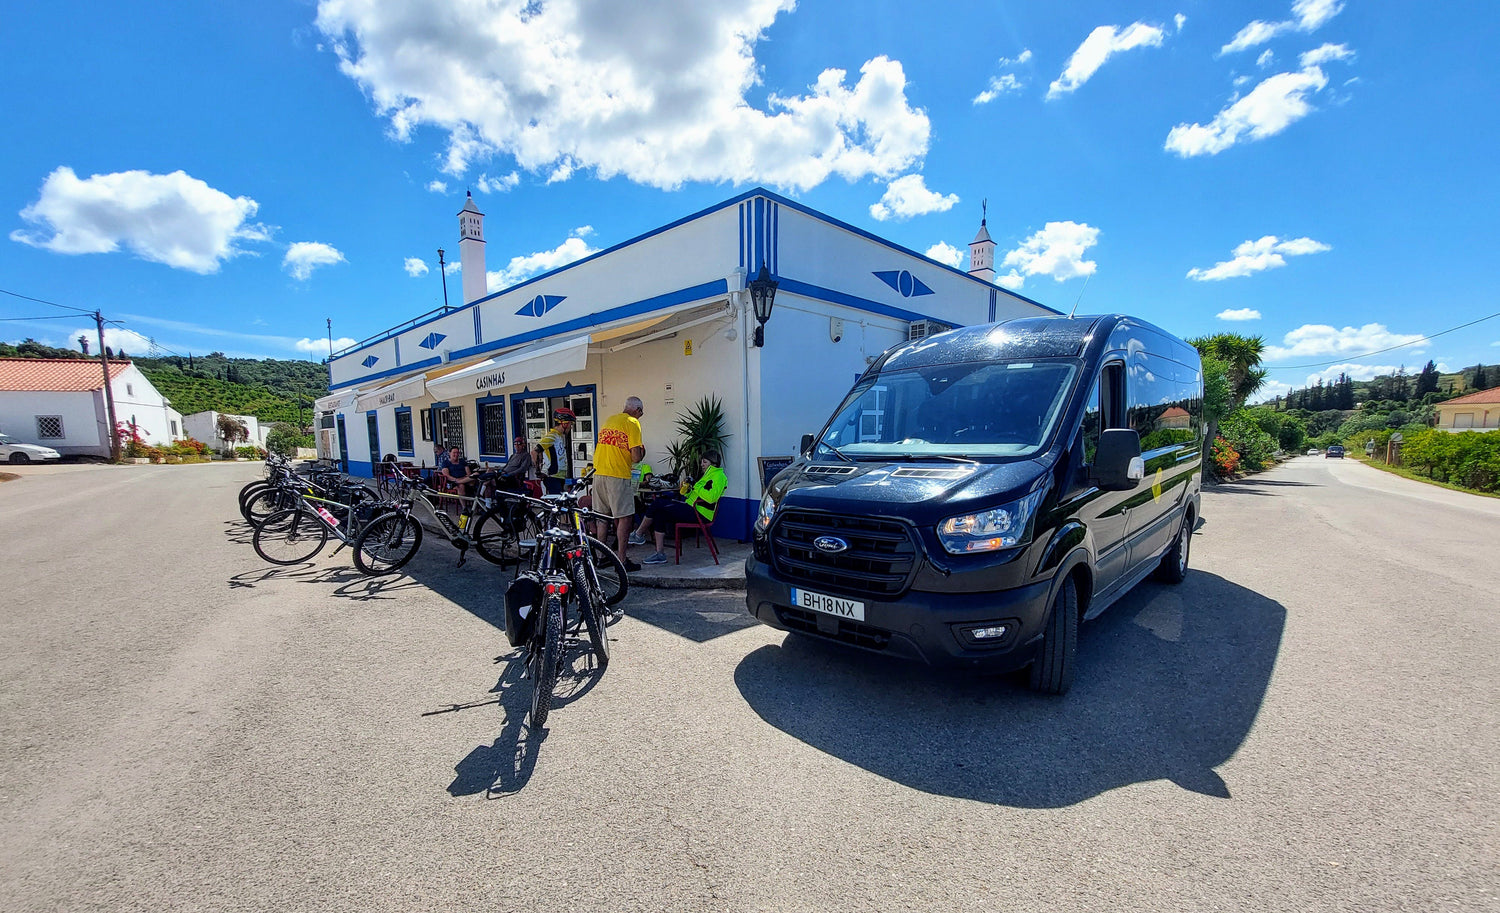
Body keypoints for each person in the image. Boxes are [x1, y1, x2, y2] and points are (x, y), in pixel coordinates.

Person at [632, 450, 726, 564]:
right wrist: (687, 489)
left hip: (700, 513)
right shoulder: (708, 475)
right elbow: (688, 494)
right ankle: (659, 554)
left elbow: (711, 498)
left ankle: (638, 534)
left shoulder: (719, 476)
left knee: (658, 503)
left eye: (705, 462)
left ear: (713, 463)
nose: (702, 464)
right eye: (702, 462)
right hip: (692, 508)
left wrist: (695, 485)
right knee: (659, 513)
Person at [592, 396, 646, 571]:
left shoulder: (609, 420)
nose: (640, 416)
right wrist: (642, 451)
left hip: (598, 473)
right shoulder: (632, 422)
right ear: (637, 410)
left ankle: (601, 558)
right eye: (641, 413)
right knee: (625, 518)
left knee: (602, 518)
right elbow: (636, 457)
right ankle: (621, 561)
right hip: (617, 475)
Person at [537, 407, 574, 495]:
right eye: (570, 424)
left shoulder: (559, 436)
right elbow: (535, 451)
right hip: (552, 477)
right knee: (556, 505)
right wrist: (538, 471)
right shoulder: (552, 436)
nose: (571, 427)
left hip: (559, 477)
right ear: (564, 423)